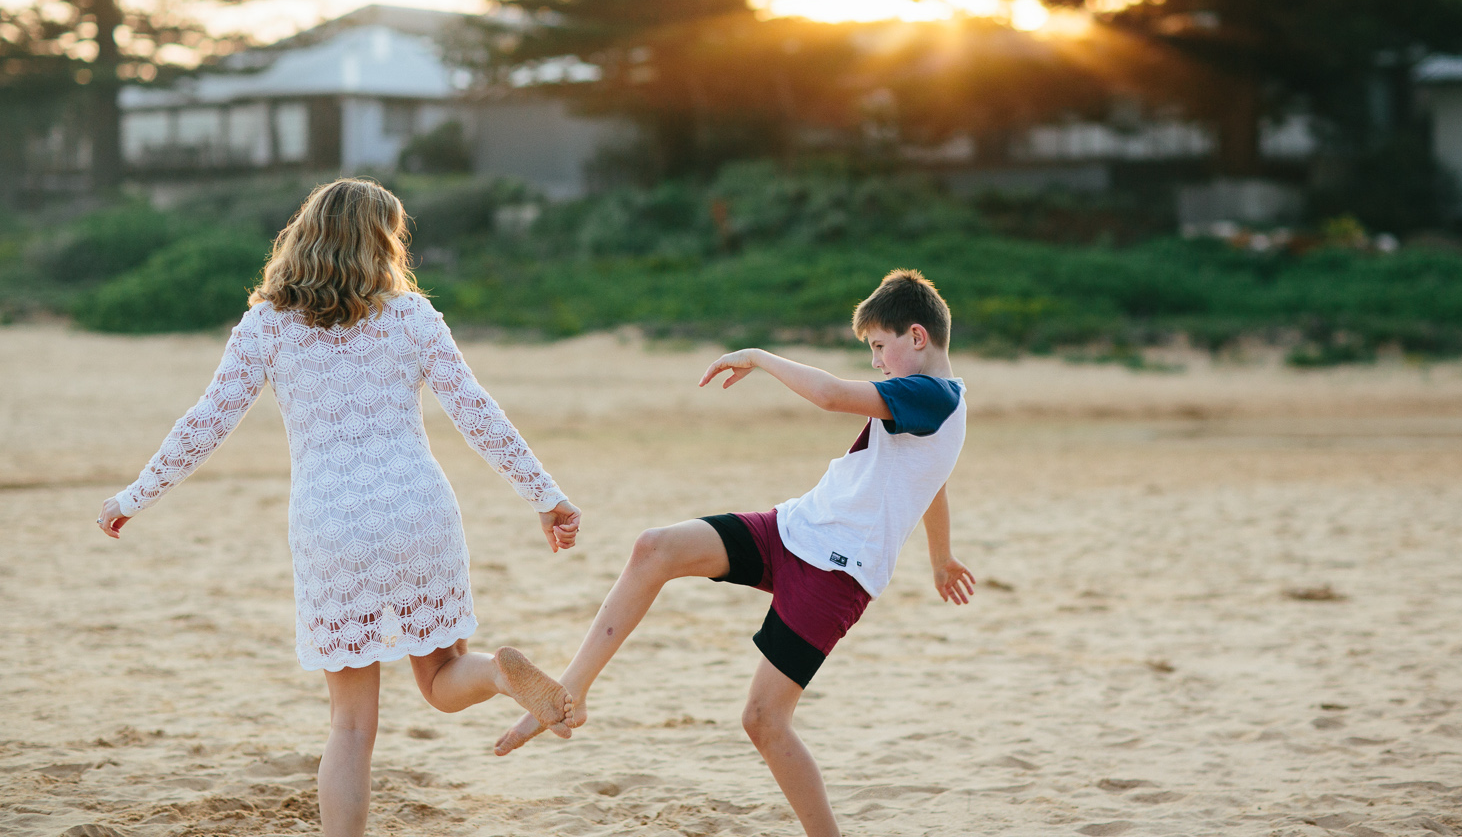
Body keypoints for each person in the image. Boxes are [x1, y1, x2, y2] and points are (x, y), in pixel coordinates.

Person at [95, 179, 581, 837]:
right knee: (440, 678)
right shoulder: (410, 315)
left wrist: (133, 497)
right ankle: (498, 673)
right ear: (381, 242)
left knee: (351, 725)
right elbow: (475, 410)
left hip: (332, 524)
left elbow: (206, 422)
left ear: (305, 235)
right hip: (416, 509)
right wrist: (544, 495)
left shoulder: (267, 324)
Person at [495, 268, 975, 837]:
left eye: (878, 346)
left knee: (764, 720)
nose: (875, 361)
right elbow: (932, 481)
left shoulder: (932, 393)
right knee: (655, 549)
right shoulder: (934, 405)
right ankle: (570, 690)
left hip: (836, 575)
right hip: (793, 529)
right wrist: (941, 558)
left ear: (916, 337)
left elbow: (828, 396)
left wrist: (759, 356)